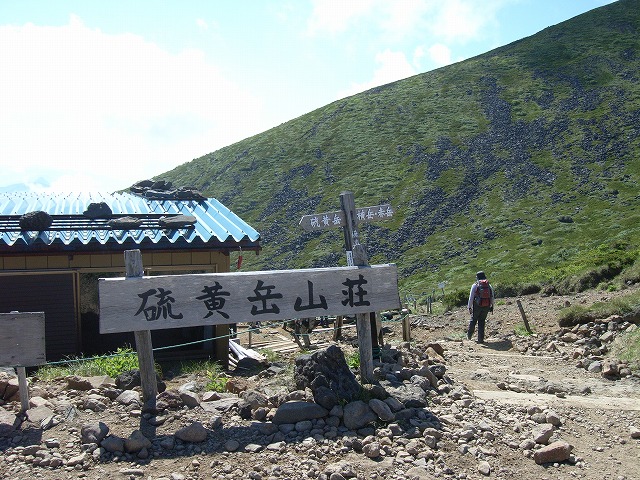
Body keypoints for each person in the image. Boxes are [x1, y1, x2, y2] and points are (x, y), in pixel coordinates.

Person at [467, 271, 494, 343]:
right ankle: (480, 339)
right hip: (486, 306)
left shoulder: (475, 285)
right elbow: (492, 296)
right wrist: (491, 306)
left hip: (477, 305)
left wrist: (469, 307)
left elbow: (471, 297)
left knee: (473, 320)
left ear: (477, 277)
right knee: (482, 321)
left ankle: (469, 337)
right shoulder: (489, 285)